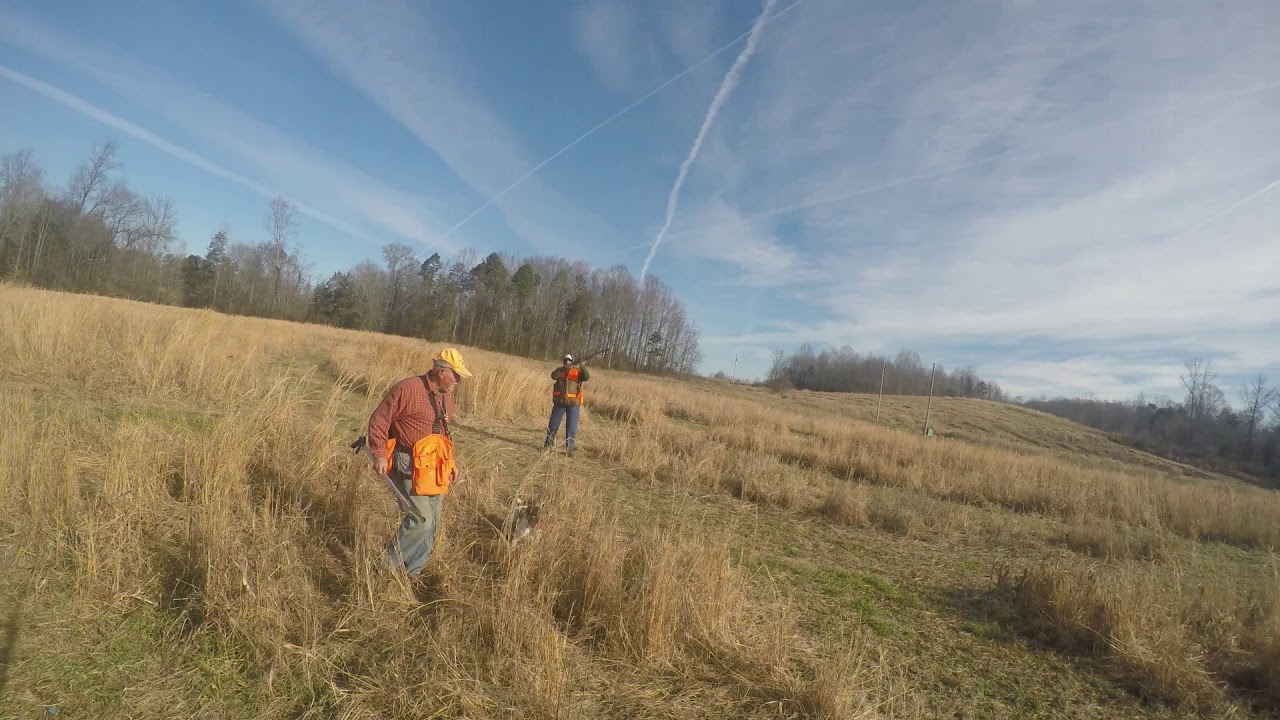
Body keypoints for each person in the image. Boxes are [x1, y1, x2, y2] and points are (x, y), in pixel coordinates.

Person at [366, 347, 472, 578]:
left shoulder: (447, 398)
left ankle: (413, 574)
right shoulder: (408, 389)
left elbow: (443, 434)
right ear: (441, 371)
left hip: (435, 467)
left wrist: (451, 462)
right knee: (421, 520)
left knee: (432, 525)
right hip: (408, 464)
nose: (458, 381)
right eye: (456, 375)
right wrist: (380, 454)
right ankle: (383, 567)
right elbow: (379, 421)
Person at [543, 353, 590, 456]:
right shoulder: (560, 371)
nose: (567, 362)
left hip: (573, 404)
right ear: (563, 361)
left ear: (572, 361)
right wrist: (564, 368)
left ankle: (569, 450)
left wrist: (582, 365)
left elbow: (586, 377)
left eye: (569, 360)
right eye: (566, 360)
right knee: (553, 426)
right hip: (559, 403)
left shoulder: (578, 372)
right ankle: (547, 446)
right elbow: (553, 376)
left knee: (571, 428)